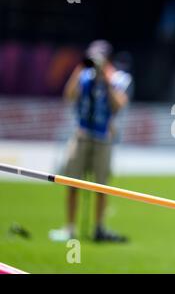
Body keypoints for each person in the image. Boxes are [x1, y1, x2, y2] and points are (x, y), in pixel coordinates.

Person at [50, 40, 132, 242]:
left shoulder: (118, 78)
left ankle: (99, 227)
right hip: (82, 134)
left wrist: (105, 79)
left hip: (103, 137)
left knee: (101, 186)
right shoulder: (83, 76)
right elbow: (68, 96)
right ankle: (69, 227)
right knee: (72, 181)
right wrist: (78, 70)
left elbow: (119, 104)